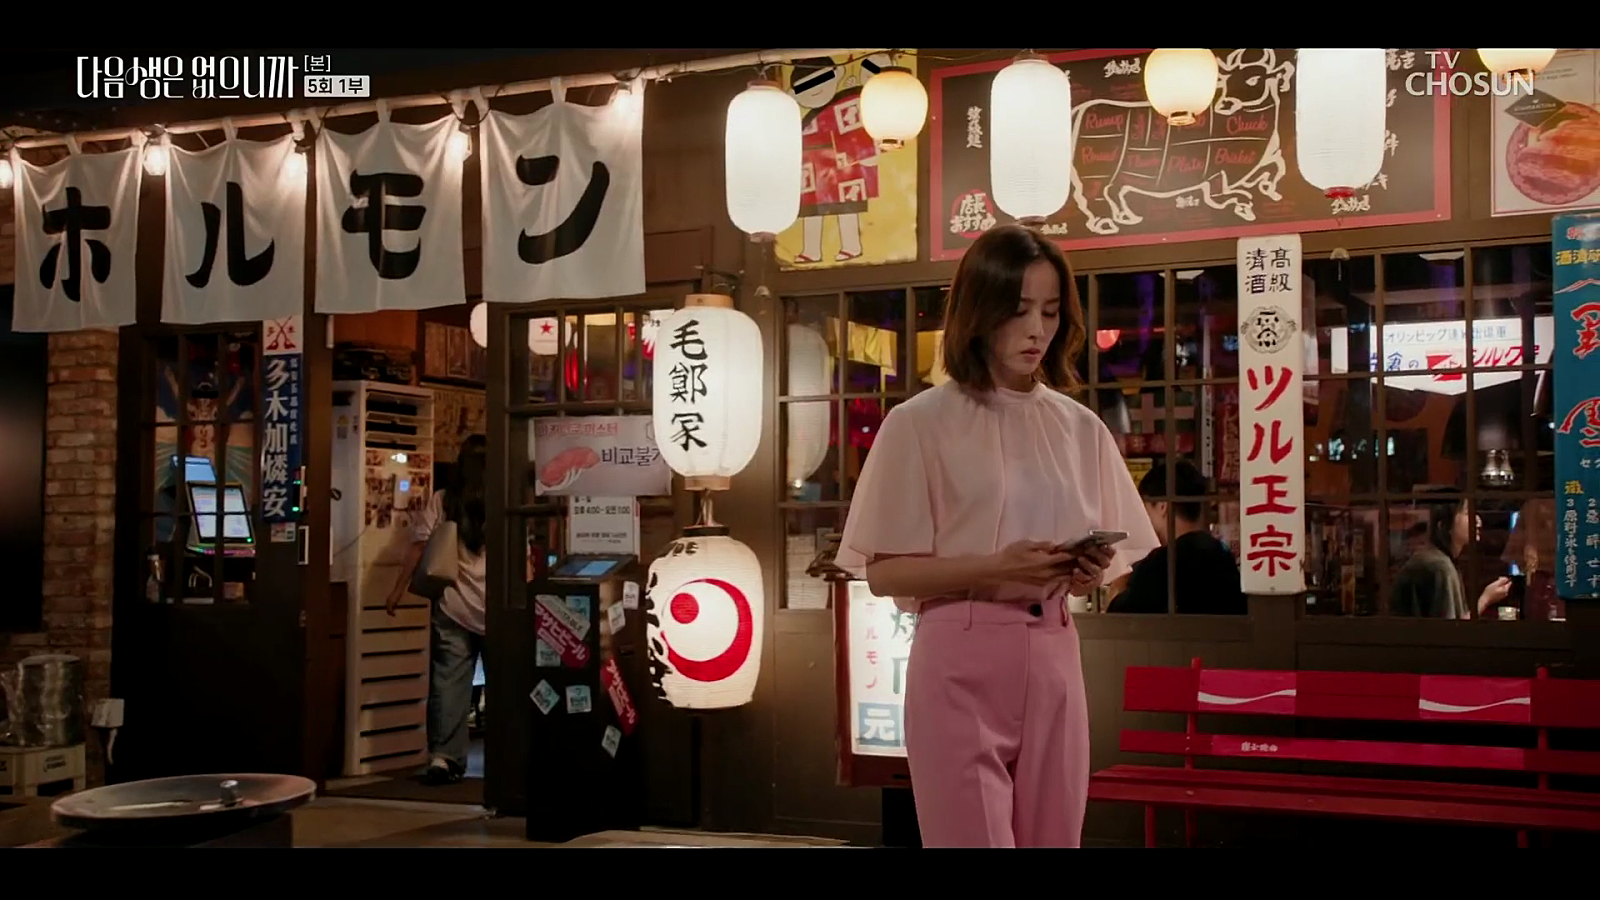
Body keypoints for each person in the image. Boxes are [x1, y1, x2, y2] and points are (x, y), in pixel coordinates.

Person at [834, 224, 1159, 848]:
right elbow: (884, 572)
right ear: (979, 313)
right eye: (1018, 310)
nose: (1037, 330)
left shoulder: (1079, 427)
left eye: (1050, 311)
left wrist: (1083, 570)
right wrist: (996, 566)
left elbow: (1103, 570)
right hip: (959, 652)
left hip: (1055, 651)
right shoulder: (919, 423)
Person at [389, 434, 488, 785]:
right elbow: (521, 558)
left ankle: (445, 758)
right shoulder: (504, 499)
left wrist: (398, 590)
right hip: (497, 608)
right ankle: (509, 756)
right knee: (506, 685)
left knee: (449, 682)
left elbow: (419, 547)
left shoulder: (444, 500)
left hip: (453, 604)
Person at [1107, 459, 1245, 615]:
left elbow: (1119, 618)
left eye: (1145, 508)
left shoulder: (1162, 564)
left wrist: (1118, 586)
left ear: (1162, 507)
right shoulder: (1223, 555)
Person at [1390, 496, 1510, 619]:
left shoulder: (1443, 559)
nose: (1478, 521)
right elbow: (1451, 629)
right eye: (1467, 513)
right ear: (1445, 526)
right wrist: (1486, 599)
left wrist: (1487, 597)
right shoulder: (1440, 566)